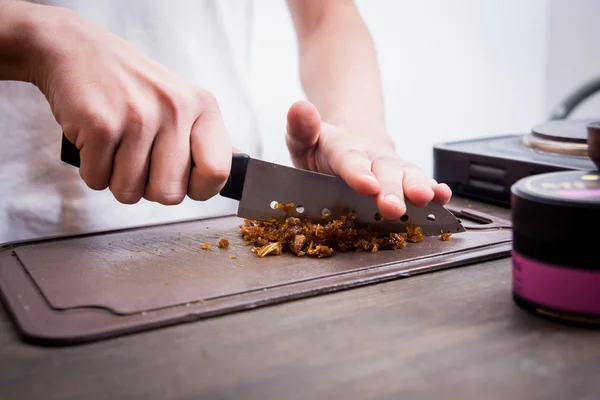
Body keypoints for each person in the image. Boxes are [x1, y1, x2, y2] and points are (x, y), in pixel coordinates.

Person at [0, 0, 451, 244]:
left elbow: (326, 17)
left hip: (220, 224)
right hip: (23, 232)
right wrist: (41, 35)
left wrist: (359, 127)